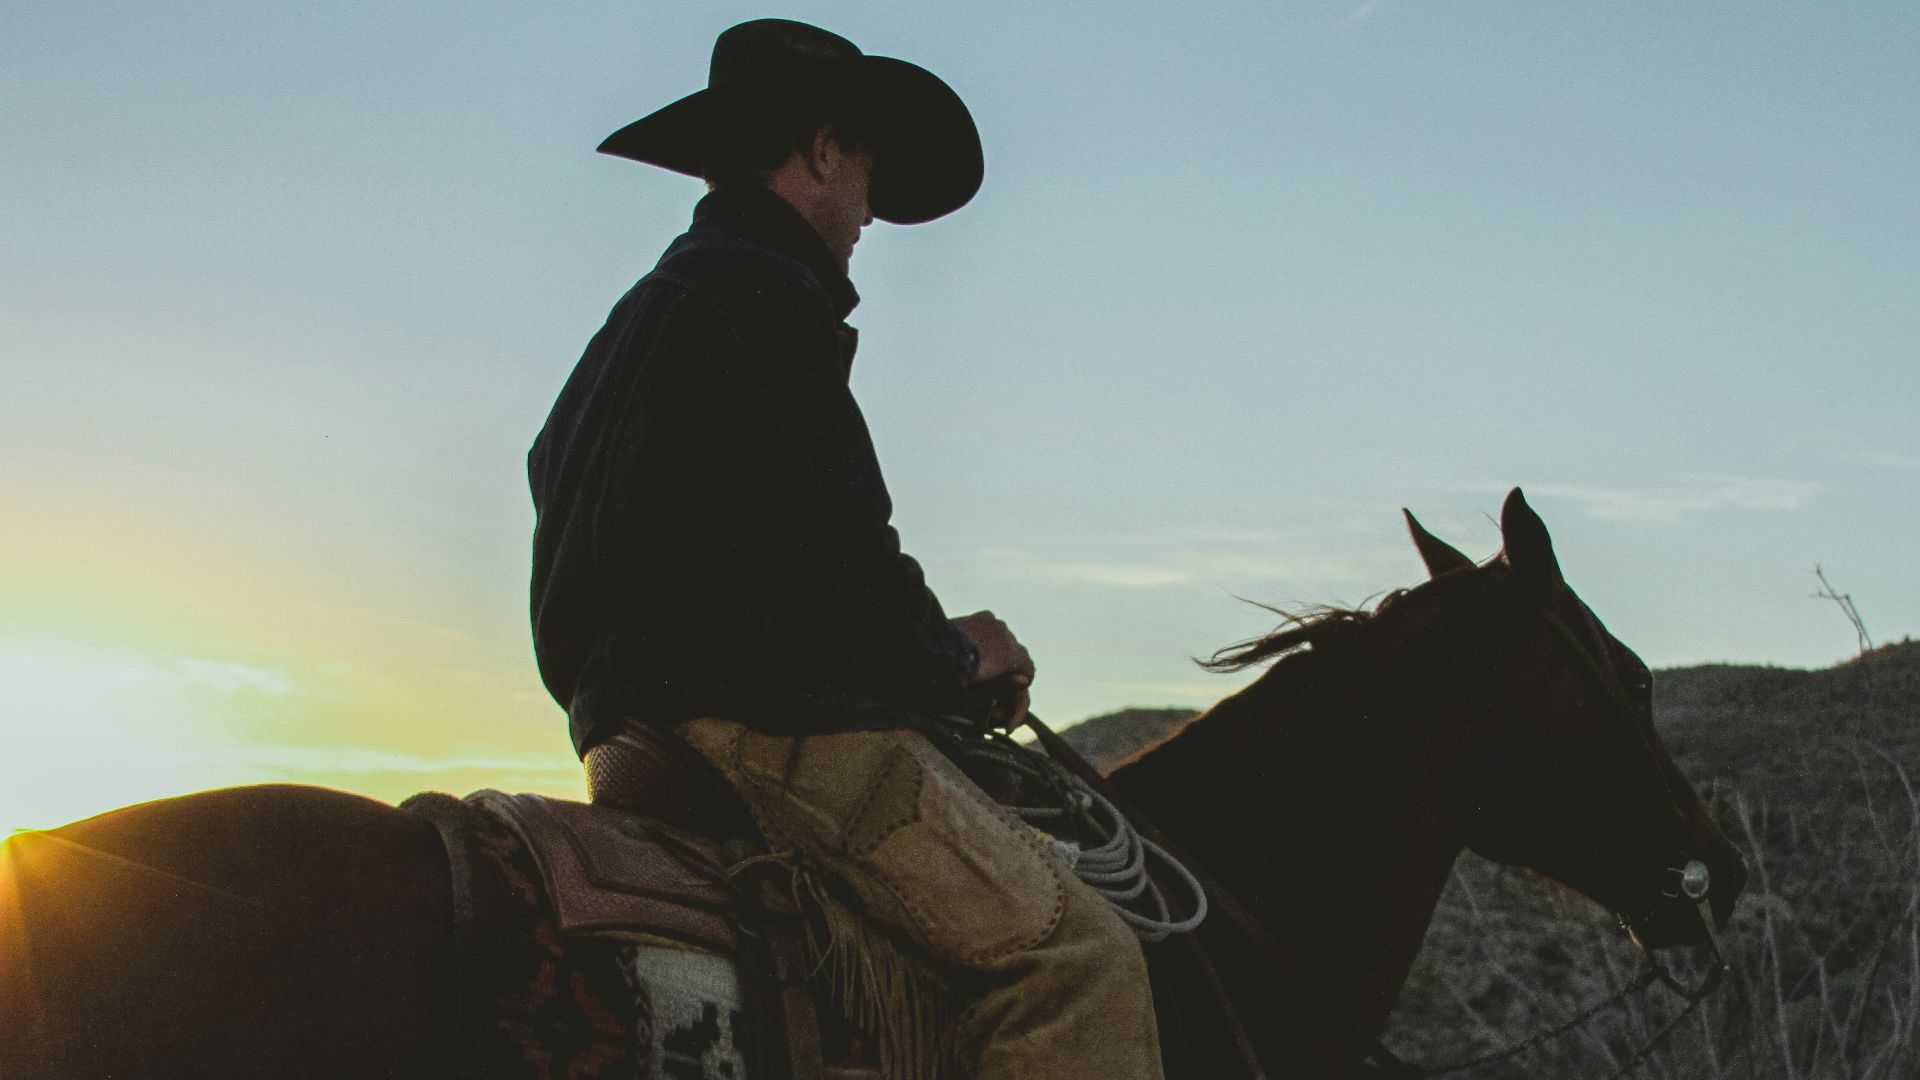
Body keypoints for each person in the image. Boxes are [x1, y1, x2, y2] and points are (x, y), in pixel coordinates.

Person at [526, 19, 1161, 1080]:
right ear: (822, 149)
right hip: (760, 726)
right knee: (1078, 956)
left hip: (623, 726)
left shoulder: (641, 318)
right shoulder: (762, 298)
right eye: (865, 167)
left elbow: (599, 518)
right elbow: (842, 560)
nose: (870, 208)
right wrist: (957, 658)